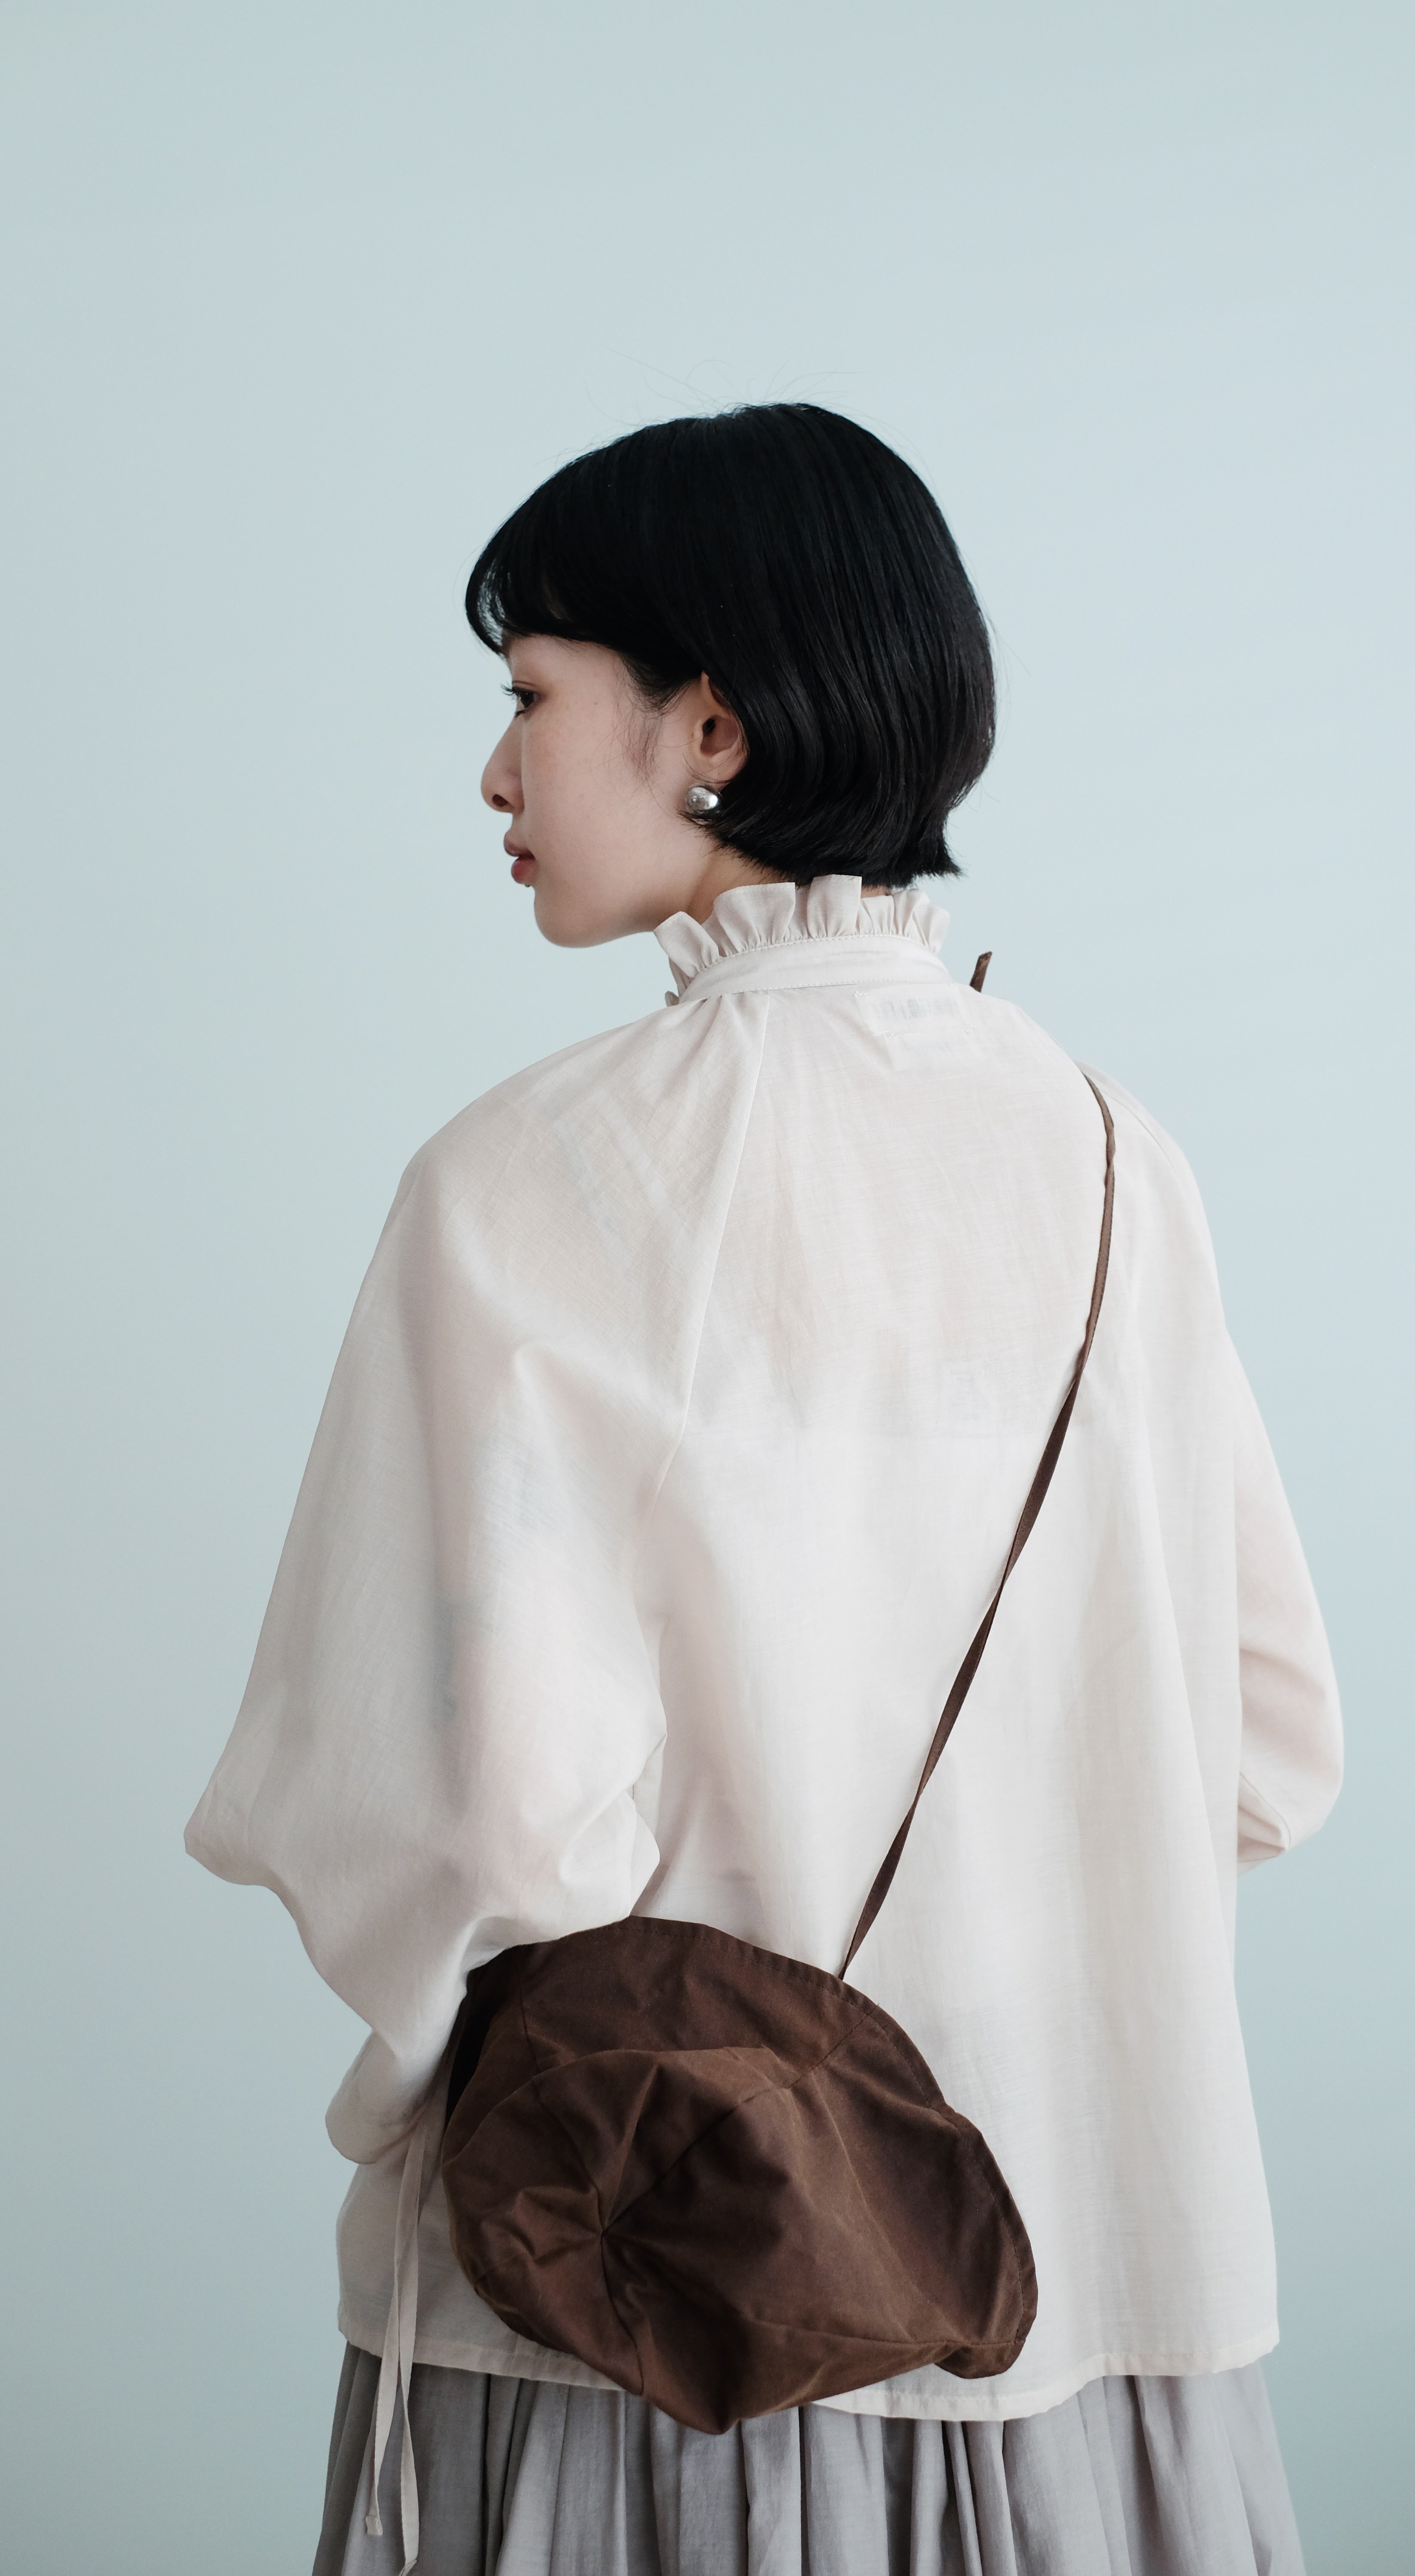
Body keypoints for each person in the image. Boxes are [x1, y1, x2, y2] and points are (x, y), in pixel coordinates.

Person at [187, 403, 1342, 2576]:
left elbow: (457, 1832)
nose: (495, 774)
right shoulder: (1118, 1162)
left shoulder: (519, 1186)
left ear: (708, 725)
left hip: (632, 2314)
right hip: (1059, 2275)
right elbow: (1266, 1743)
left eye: (532, 696)